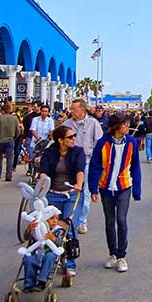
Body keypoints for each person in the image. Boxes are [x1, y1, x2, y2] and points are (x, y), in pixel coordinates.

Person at [89, 112, 142, 273]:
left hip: (124, 186)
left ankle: (121, 256)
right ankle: (112, 253)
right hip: (106, 187)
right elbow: (95, 166)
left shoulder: (132, 142)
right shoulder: (102, 143)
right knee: (110, 221)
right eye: (125, 124)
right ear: (116, 126)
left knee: (122, 220)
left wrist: (137, 190)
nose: (128, 126)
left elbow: (135, 167)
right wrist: (93, 188)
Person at [38, 125, 85, 276]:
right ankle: (50, 260)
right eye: (70, 137)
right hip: (52, 193)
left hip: (71, 193)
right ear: (60, 140)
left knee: (69, 227)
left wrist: (78, 184)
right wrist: (43, 181)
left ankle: (70, 263)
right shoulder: (49, 153)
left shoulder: (78, 151)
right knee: (51, 227)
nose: (73, 139)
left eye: (74, 136)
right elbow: (43, 172)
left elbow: (80, 170)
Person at [63, 99, 104, 235]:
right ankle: (67, 218)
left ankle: (82, 221)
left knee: (85, 192)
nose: (71, 112)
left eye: (74, 109)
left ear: (82, 110)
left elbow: (99, 143)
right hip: (69, 163)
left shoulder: (93, 123)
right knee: (68, 190)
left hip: (87, 162)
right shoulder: (67, 124)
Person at [21, 213, 66, 292]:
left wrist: (54, 238)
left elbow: (61, 243)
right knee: (28, 260)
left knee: (49, 257)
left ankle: (42, 281)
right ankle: (29, 283)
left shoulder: (58, 230)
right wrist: (29, 229)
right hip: (36, 252)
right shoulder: (37, 228)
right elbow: (26, 238)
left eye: (56, 219)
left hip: (50, 252)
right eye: (51, 219)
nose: (55, 221)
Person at [0, 102, 21, 181]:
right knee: (9, 158)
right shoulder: (14, 118)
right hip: (10, 140)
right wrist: (14, 138)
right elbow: (18, 131)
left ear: (2, 110)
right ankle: (8, 175)